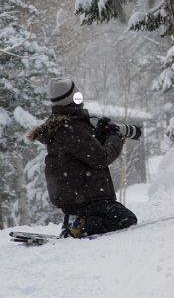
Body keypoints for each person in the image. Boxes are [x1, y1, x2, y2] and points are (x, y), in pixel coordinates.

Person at [27, 78, 137, 238]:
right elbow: (101, 157)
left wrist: (98, 134)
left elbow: (83, 152)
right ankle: (81, 225)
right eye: (78, 96)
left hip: (76, 198)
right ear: (72, 99)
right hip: (87, 198)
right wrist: (115, 137)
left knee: (117, 216)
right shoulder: (71, 128)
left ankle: (75, 222)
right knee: (126, 219)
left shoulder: (64, 126)